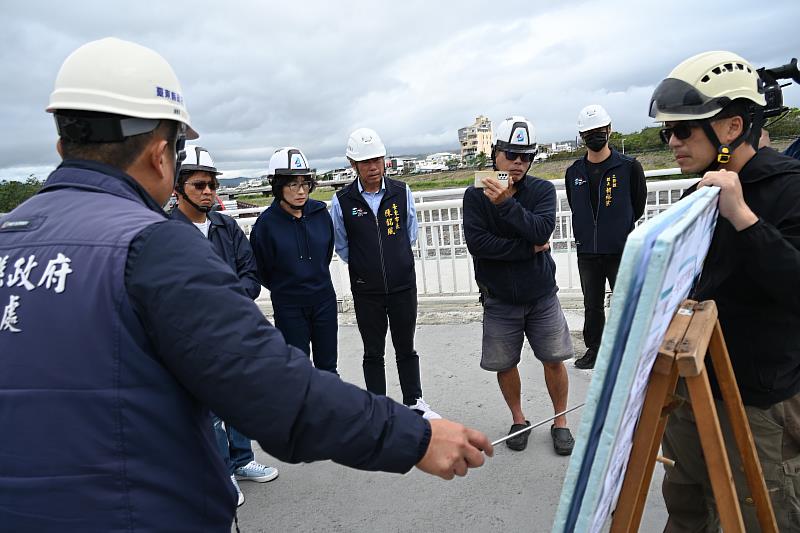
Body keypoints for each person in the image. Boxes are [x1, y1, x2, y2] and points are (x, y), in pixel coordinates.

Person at [0, 37, 493, 532]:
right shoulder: (154, 247)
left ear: (63, 146)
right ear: (159, 156)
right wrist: (415, 437)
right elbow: (275, 391)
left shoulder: (7, 241)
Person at [650, 50, 800, 531]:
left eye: (684, 129)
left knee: (761, 513)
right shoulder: (698, 196)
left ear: (732, 127)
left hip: (757, 397)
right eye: (667, 131)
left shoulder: (787, 189)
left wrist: (744, 219)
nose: (672, 141)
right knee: (688, 504)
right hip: (691, 386)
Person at [171, 144, 277, 507]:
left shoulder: (225, 226)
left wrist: (232, 299)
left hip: (234, 327)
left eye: (212, 185)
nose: (207, 192)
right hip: (193, 334)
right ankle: (221, 472)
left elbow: (250, 273)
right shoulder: (166, 232)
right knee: (210, 406)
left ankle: (243, 459)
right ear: (177, 187)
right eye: (199, 185)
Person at [462, 116, 575, 455]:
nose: (518, 163)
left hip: (541, 295)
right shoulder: (475, 193)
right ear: (495, 153)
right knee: (505, 363)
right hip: (498, 298)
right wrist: (527, 248)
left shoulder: (541, 190)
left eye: (526, 156)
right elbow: (478, 244)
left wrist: (507, 205)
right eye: (511, 154)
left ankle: (561, 421)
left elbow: (542, 231)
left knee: (554, 359)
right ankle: (518, 418)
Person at [330, 128, 440, 420]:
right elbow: (342, 245)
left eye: (377, 160)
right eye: (365, 162)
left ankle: (414, 400)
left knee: (406, 347)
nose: (373, 167)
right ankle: (377, 408)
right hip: (367, 289)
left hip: (403, 284)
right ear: (353, 164)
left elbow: (410, 233)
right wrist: (367, 267)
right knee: (373, 351)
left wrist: (395, 260)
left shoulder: (401, 192)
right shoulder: (341, 201)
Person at [565, 105, 647, 369]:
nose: (595, 136)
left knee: (624, 302)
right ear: (582, 135)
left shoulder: (629, 167)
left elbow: (638, 205)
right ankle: (595, 349)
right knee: (592, 304)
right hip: (587, 250)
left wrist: (617, 227)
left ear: (610, 130)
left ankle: (625, 350)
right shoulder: (574, 172)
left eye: (600, 131)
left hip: (619, 247)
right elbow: (575, 204)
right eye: (590, 132)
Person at [250, 147, 338, 374]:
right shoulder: (266, 225)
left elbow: (325, 254)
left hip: (324, 300)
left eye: (305, 184)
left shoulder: (320, 213)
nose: (301, 191)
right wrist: (289, 285)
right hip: (289, 305)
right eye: (293, 184)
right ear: (278, 186)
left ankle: (330, 409)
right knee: (297, 370)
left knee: (328, 367)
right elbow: (262, 269)